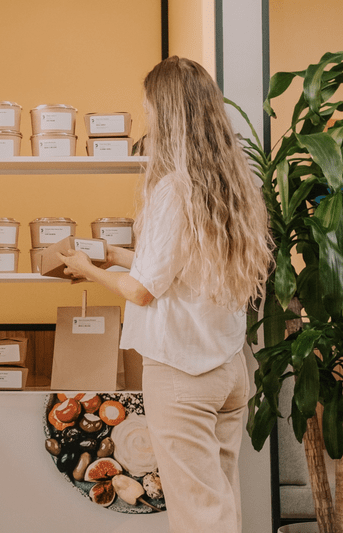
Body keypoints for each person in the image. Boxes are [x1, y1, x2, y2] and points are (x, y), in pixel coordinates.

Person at [58, 56, 272, 533]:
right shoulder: (231, 185)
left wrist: (88, 271)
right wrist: (112, 253)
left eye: (149, 107)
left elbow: (142, 291)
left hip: (182, 374)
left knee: (198, 512)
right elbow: (179, 270)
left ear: (168, 112)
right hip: (227, 369)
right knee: (219, 500)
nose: (146, 116)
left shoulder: (174, 189)